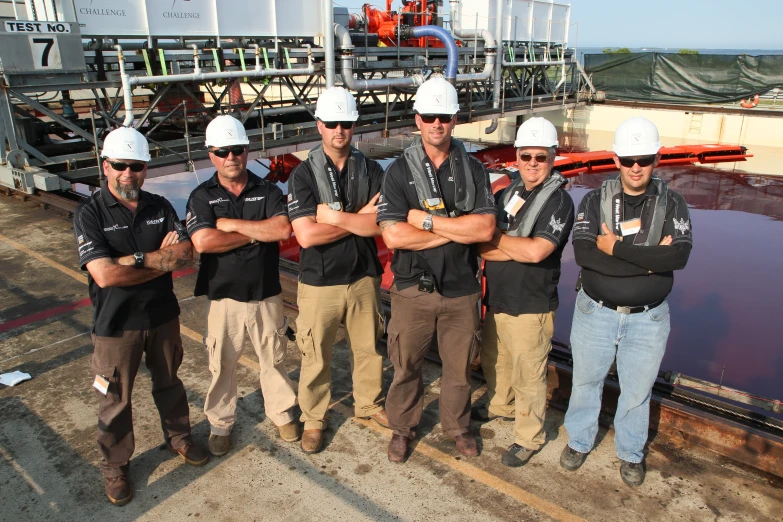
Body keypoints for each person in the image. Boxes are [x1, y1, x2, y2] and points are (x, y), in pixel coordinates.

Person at [73, 127, 207, 506]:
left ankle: (179, 437)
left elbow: (184, 256)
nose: (128, 173)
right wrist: (153, 260)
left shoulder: (159, 205)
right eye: (120, 166)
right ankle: (114, 466)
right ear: (105, 166)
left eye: (136, 166)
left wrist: (130, 262)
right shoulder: (89, 214)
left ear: (145, 168)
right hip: (116, 326)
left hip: (162, 316)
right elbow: (104, 274)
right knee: (115, 397)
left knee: (170, 383)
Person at [561, 117, 692, 486]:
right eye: (629, 159)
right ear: (617, 159)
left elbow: (677, 259)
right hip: (595, 312)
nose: (637, 167)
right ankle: (580, 440)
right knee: (586, 380)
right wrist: (649, 262)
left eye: (645, 159)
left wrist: (616, 248)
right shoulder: (594, 200)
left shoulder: (674, 203)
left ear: (657, 159)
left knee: (638, 389)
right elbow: (586, 255)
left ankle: (631, 452)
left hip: (648, 319)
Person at [377, 77, 497, 463]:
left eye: (443, 116)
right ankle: (402, 428)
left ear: (454, 119)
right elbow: (394, 237)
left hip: (462, 289)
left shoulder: (474, 170)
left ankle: (457, 427)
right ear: (417, 119)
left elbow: (484, 229)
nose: (436, 124)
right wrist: (456, 228)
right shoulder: (398, 172)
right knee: (406, 366)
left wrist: (426, 222)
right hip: (414, 288)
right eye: (429, 116)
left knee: (459, 369)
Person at [186, 115, 299, 457]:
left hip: (266, 293)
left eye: (237, 150)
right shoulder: (201, 195)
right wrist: (254, 232)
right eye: (223, 152)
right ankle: (220, 424)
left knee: (274, 357)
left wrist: (232, 226)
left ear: (247, 151)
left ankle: (281, 413)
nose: (231, 157)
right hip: (223, 297)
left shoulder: (267, 189)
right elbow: (203, 242)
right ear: (211, 155)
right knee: (222, 364)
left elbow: (281, 230)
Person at [287, 86, 388, 454]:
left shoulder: (373, 169)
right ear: (319, 125)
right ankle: (313, 418)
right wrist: (358, 217)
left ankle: (369, 403)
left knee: (368, 348)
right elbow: (307, 237)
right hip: (319, 282)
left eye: (346, 123)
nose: (339, 131)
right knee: (316, 354)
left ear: (354, 126)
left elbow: (381, 225)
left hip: (363, 276)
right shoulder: (302, 176)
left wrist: (334, 216)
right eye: (332, 124)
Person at [476, 117, 575, 467]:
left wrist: (499, 241)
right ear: (516, 157)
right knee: (496, 359)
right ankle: (499, 405)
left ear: (552, 157)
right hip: (498, 297)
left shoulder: (559, 203)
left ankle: (529, 436)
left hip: (532, 304)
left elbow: (537, 252)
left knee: (530, 374)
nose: (533, 163)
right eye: (526, 156)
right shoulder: (506, 193)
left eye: (541, 157)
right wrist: (511, 245)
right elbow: (480, 247)